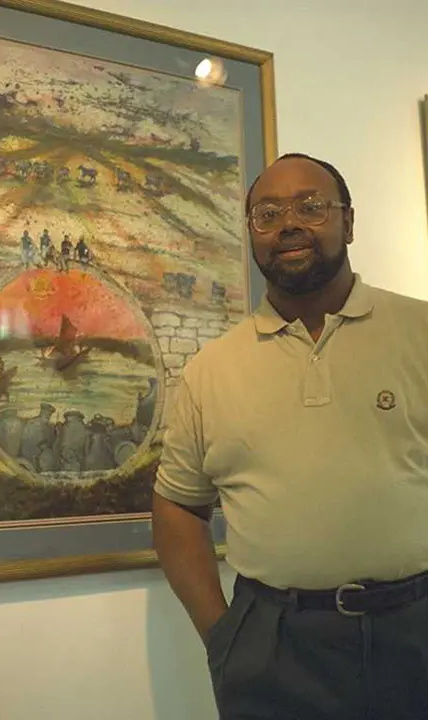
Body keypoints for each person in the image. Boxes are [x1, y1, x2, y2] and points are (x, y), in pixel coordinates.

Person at [152, 153, 428, 720]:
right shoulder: (210, 369)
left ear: (348, 222)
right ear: (253, 236)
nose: (289, 224)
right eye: (268, 213)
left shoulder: (421, 332)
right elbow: (178, 505)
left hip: (416, 629)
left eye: (311, 206)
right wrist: (224, 639)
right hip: (274, 649)